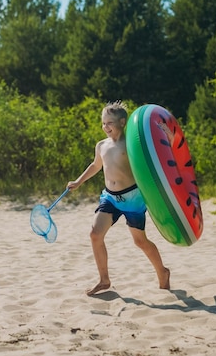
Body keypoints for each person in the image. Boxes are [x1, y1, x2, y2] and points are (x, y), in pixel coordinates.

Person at [67, 101, 170, 296]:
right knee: (95, 234)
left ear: (122, 122)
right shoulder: (101, 146)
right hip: (110, 198)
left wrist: (165, 130)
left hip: (133, 198)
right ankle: (104, 280)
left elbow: (161, 150)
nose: (106, 127)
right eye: (103, 123)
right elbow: (96, 166)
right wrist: (78, 181)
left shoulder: (132, 143)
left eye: (110, 123)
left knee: (140, 241)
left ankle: (162, 272)